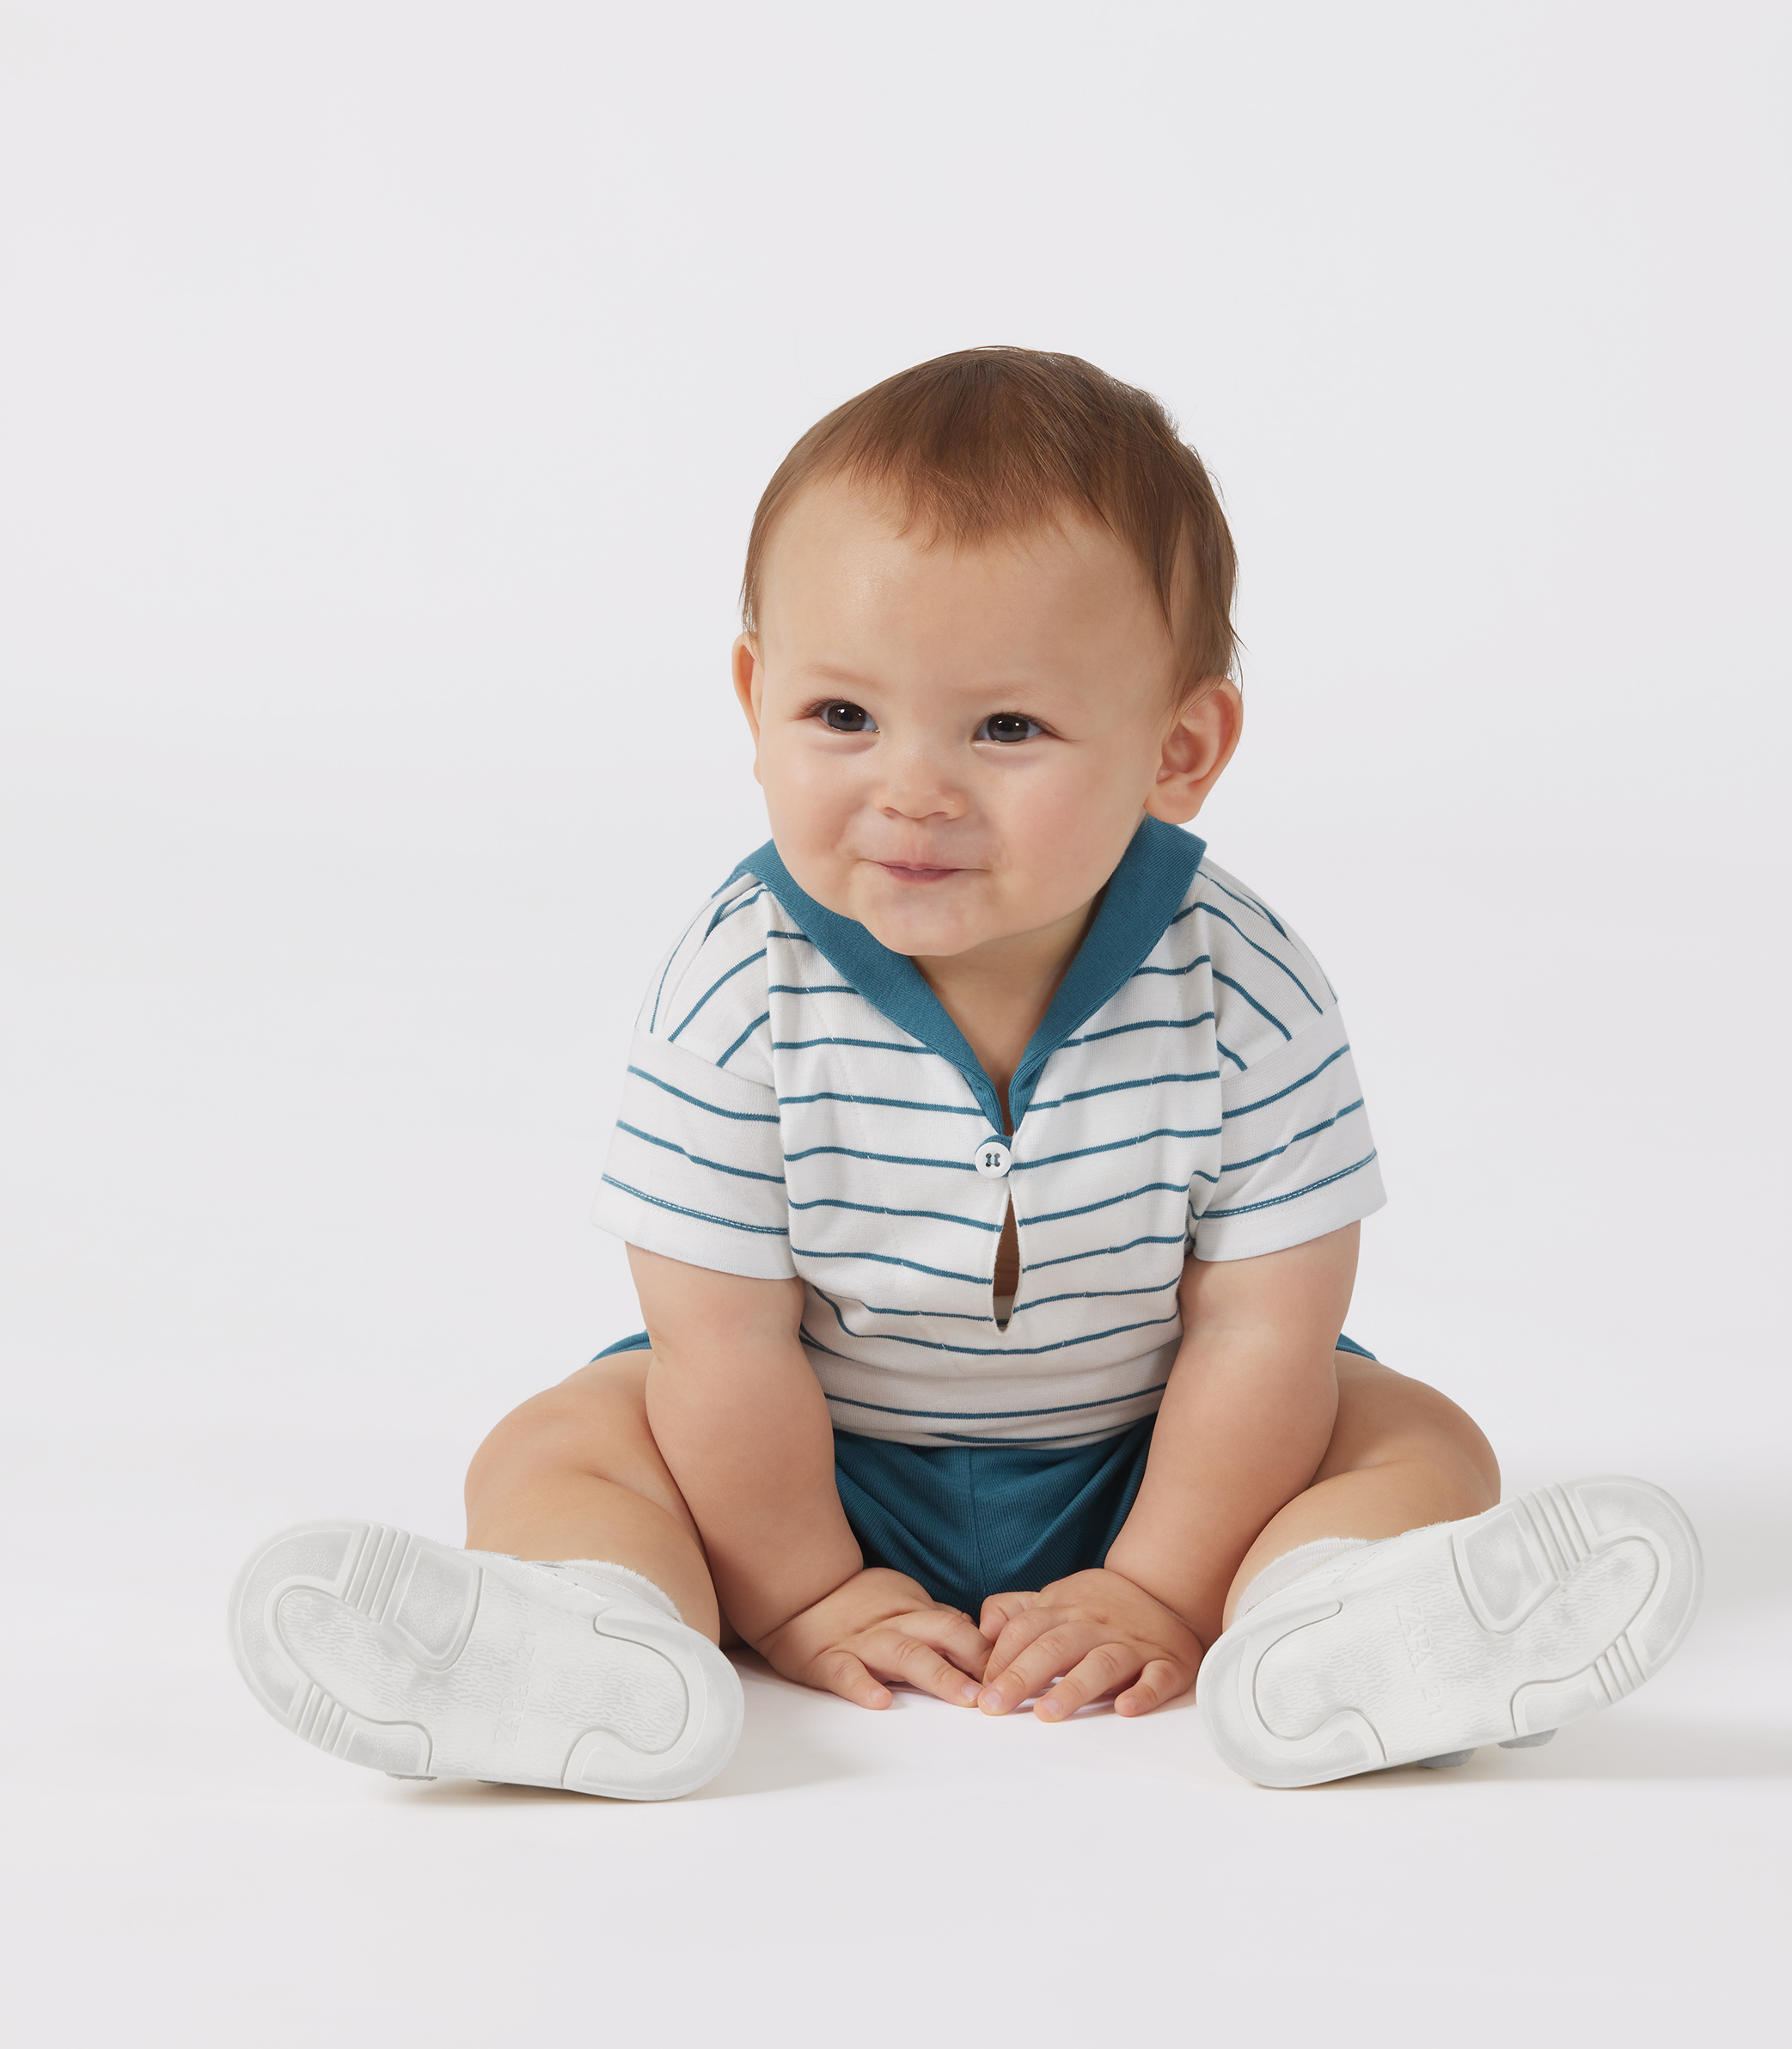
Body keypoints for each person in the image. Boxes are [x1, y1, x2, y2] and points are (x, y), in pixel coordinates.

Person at [229, 348, 1702, 1796]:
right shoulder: (739, 985)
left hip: (1161, 1449)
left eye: (1005, 728)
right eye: (841, 716)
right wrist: (805, 1591)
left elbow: (1264, 1325)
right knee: (561, 1442)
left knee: (1412, 1435)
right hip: (816, 1452)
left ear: (1177, 748)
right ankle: (595, 1641)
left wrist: (1164, 1586)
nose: (910, 787)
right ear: (754, 700)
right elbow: (720, 1344)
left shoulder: (1240, 986)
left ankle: (1330, 1627)